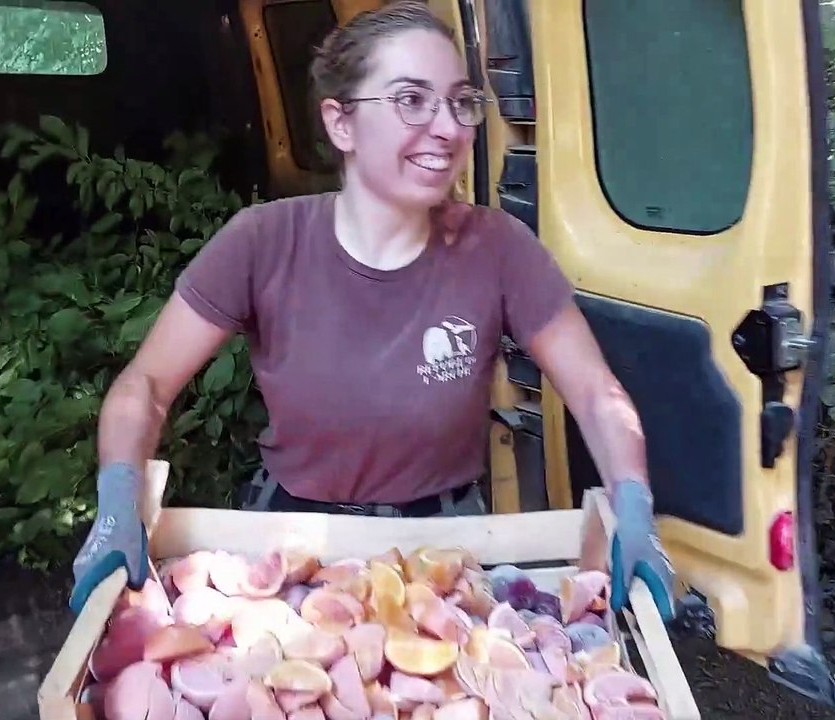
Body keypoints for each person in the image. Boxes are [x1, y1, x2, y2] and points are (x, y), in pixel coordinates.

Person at [68, 0, 677, 623]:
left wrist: (634, 507)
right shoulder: (263, 241)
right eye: (412, 99)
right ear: (342, 124)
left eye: (460, 102)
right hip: (293, 544)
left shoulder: (499, 249)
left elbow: (597, 393)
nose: (448, 128)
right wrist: (118, 504)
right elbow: (143, 387)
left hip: (446, 549)